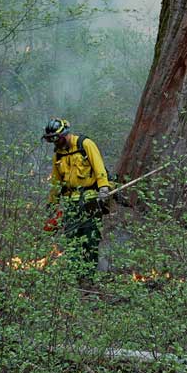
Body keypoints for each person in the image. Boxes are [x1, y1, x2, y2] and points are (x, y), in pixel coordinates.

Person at [43, 118, 112, 275]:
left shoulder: (85, 145)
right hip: (71, 204)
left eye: (57, 139)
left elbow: (99, 167)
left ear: (65, 134)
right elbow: (56, 183)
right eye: (52, 140)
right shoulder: (58, 155)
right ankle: (74, 275)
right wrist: (52, 203)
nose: (55, 143)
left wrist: (103, 188)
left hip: (90, 200)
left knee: (90, 238)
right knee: (72, 239)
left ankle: (89, 275)